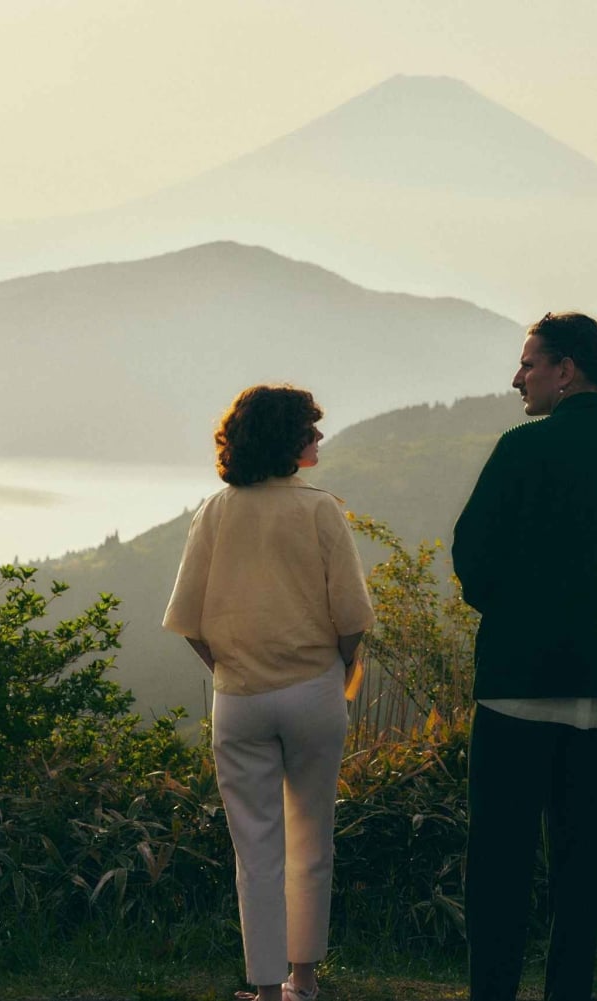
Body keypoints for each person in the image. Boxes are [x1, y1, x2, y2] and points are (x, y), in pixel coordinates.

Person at [452, 312, 597, 1001]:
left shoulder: (522, 450)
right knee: (580, 874)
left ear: (566, 369)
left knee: (499, 867)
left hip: (514, 690)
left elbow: (472, 556)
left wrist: (514, 610)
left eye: (528, 363)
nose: (517, 377)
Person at [163, 385, 374, 1001]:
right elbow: (353, 617)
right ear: (290, 440)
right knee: (311, 837)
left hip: (239, 696)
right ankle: (301, 983)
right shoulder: (319, 510)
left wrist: (229, 663)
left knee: (254, 845)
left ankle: (261, 986)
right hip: (312, 690)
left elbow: (189, 620)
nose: (319, 437)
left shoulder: (216, 510)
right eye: (312, 427)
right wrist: (333, 671)